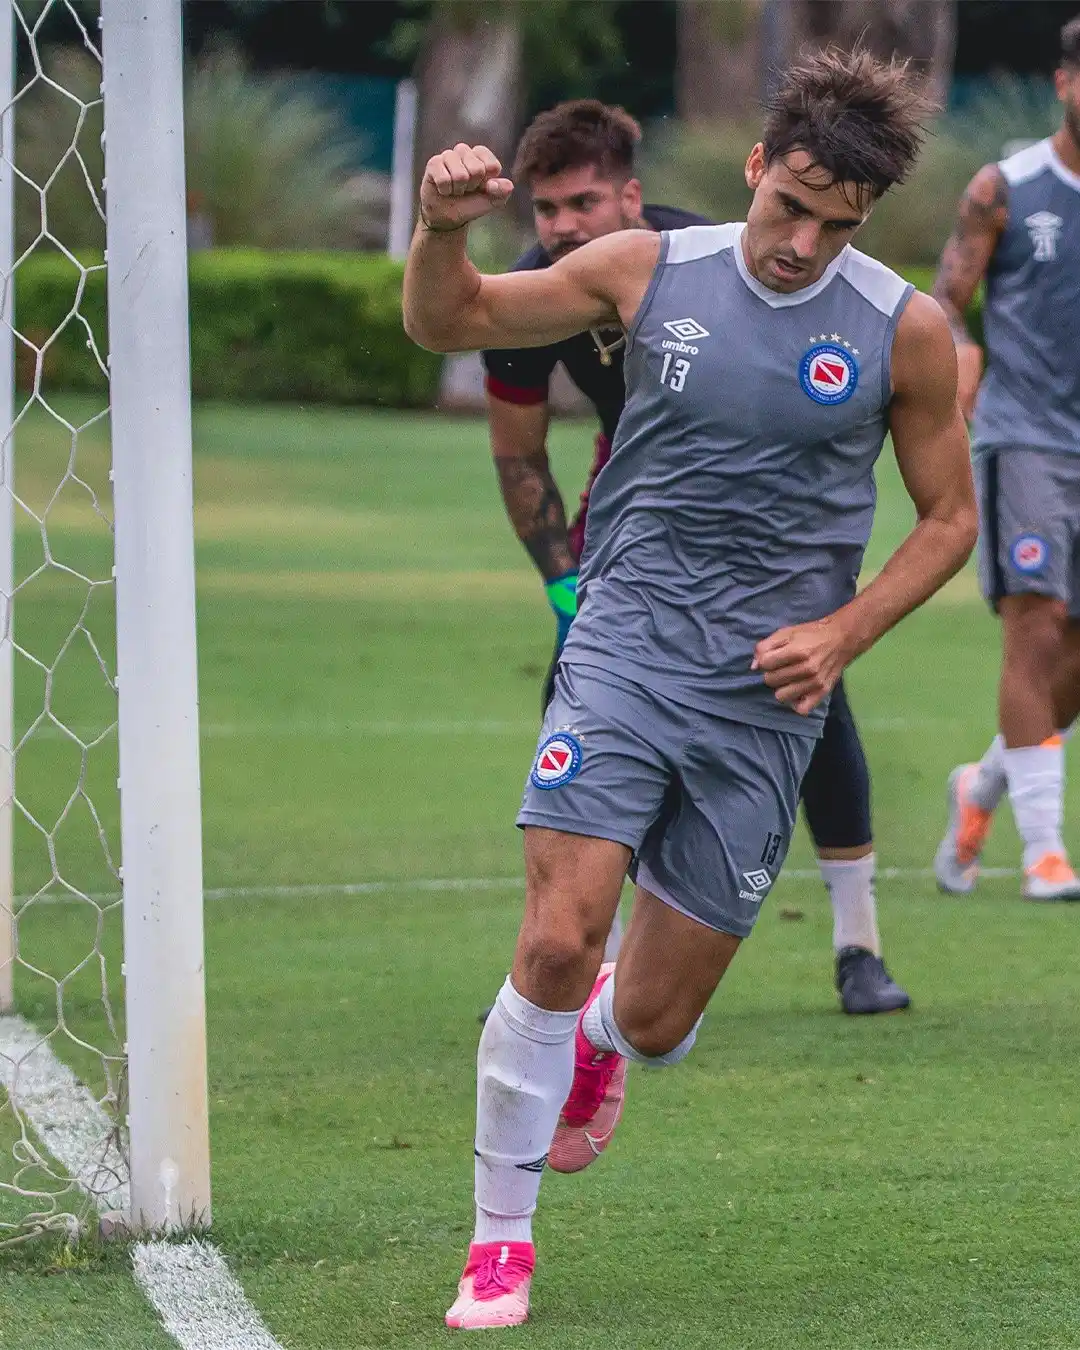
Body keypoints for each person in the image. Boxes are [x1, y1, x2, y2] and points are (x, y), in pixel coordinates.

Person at [403, 46, 976, 1331]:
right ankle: (499, 1242)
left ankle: (603, 1042)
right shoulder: (644, 270)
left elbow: (949, 520)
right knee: (558, 938)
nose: (802, 245)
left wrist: (843, 634)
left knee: (658, 1019)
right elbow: (455, 320)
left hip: (764, 695)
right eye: (790, 207)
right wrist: (440, 229)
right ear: (756, 167)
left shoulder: (903, 329)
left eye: (837, 226)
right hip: (625, 645)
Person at [484, 98, 910, 1012]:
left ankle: (858, 943)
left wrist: (837, 624)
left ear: (631, 197)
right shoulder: (540, 285)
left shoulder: (702, 255)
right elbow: (519, 456)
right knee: (576, 690)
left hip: (767, 531)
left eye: (585, 203)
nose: (565, 227)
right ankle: (575, 959)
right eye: (547, 209)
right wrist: (564, 588)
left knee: (813, 698)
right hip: (636, 515)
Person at [932, 14, 1080, 901]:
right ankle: (1045, 853)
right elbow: (948, 299)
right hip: (1026, 435)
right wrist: (960, 355)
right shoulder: (1005, 188)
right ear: (1065, 82)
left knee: (1073, 656)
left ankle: (981, 788)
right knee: (1034, 626)